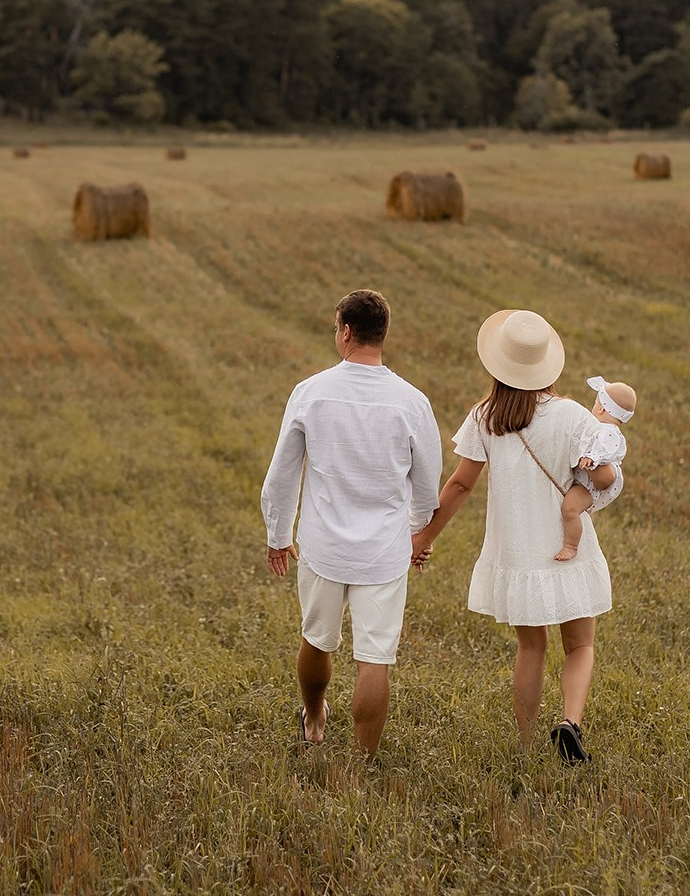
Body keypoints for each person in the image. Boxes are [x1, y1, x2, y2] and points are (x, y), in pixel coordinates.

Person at [413, 310, 612, 763]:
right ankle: (570, 723)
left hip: (520, 555)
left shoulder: (486, 417)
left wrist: (424, 536)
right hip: (570, 549)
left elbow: (460, 485)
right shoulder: (573, 416)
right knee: (580, 645)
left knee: (531, 646)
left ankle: (524, 744)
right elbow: (601, 477)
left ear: (499, 363)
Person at [261, 289, 441, 756]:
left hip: (322, 546)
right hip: (384, 551)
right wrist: (419, 534)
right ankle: (364, 760)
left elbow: (282, 474)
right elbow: (427, 482)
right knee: (374, 659)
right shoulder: (413, 402)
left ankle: (315, 719)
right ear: (382, 334)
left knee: (317, 638)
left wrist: (278, 535)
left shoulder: (311, 392)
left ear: (345, 332)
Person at [553, 376, 636, 563]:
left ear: (600, 408)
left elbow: (607, 450)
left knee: (570, 508)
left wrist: (592, 458)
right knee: (570, 506)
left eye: (594, 403)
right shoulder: (601, 428)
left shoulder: (608, 431)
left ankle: (571, 546)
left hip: (590, 484)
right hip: (586, 479)